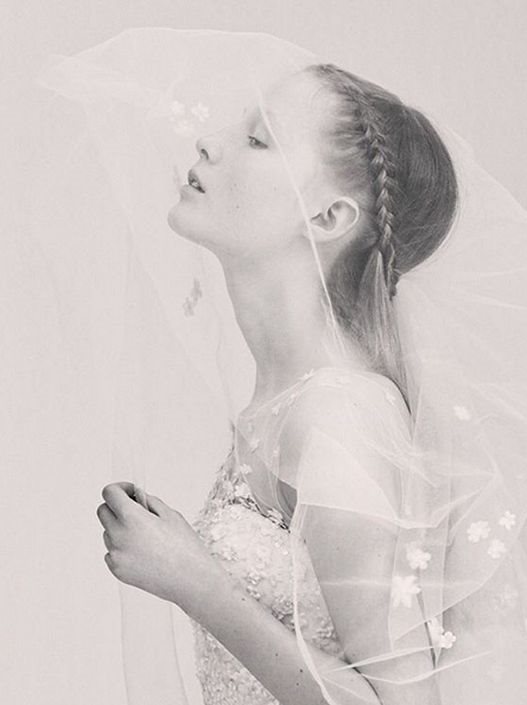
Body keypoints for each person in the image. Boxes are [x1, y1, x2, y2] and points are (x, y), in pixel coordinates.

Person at [38, 29, 527, 705]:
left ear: (327, 217)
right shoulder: (289, 401)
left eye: (258, 139)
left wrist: (195, 581)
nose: (208, 142)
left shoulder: (336, 416)